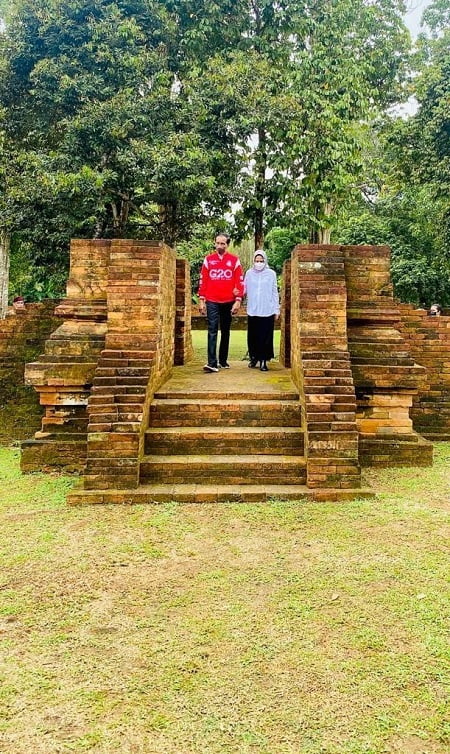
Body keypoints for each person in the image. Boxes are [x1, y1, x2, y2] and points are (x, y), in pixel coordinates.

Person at [198, 234, 244, 372]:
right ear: (214, 243)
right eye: (217, 243)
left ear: (227, 245)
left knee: (225, 330)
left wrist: (238, 301)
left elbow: (239, 281)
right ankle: (212, 363)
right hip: (212, 300)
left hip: (228, 301)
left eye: (222, 244)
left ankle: (223, 360)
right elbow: (203, 281)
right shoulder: (208, 260)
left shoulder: (234, 261)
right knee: (212, 330)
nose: (219, 246)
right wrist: (201, 300)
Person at [244, 250, 280, 371]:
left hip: (267, 310)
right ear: (253, 261)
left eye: (261, 261)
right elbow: (244, 289)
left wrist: (276, 309)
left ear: (265, 261)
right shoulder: (249, 273)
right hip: (253, 310)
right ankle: (254, 358)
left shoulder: (271, 274)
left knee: (265, 337)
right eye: (257, 261)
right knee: (253, 337)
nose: (259, 263)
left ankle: (264, 361)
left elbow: (275, 292)